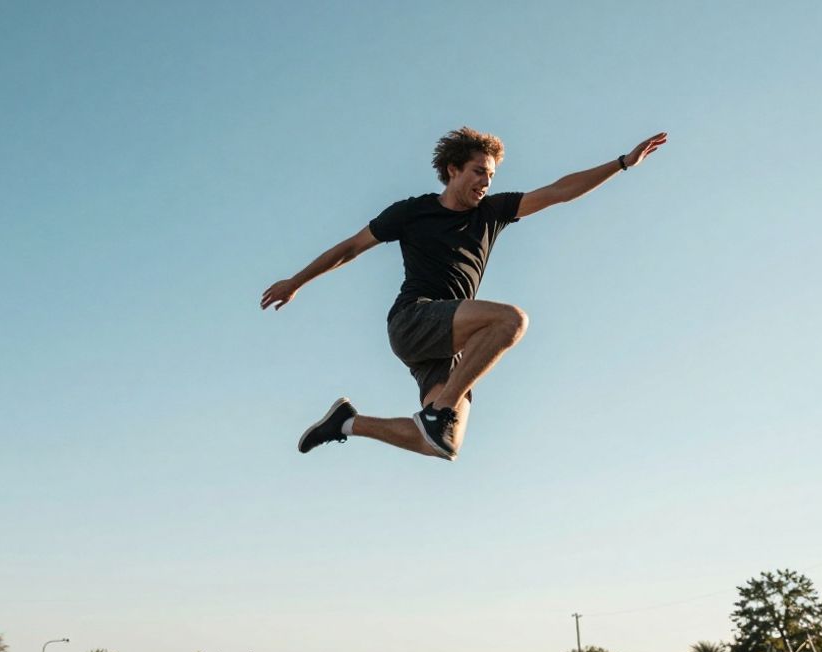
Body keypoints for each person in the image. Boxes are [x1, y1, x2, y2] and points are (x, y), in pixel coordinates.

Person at [261, 127, 667, 460]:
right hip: (413, 320)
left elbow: (558, 191)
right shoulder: (412, 212)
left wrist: (622, 164)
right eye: (478, 172)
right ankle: (439, 411)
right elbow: (350, 247)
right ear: (453, 170)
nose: (485, 182)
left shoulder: (493, 212)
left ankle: (347, 422)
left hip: (447, 343)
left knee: (440, 443)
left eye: (490, 175)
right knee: (511, 320)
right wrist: (295, 282)